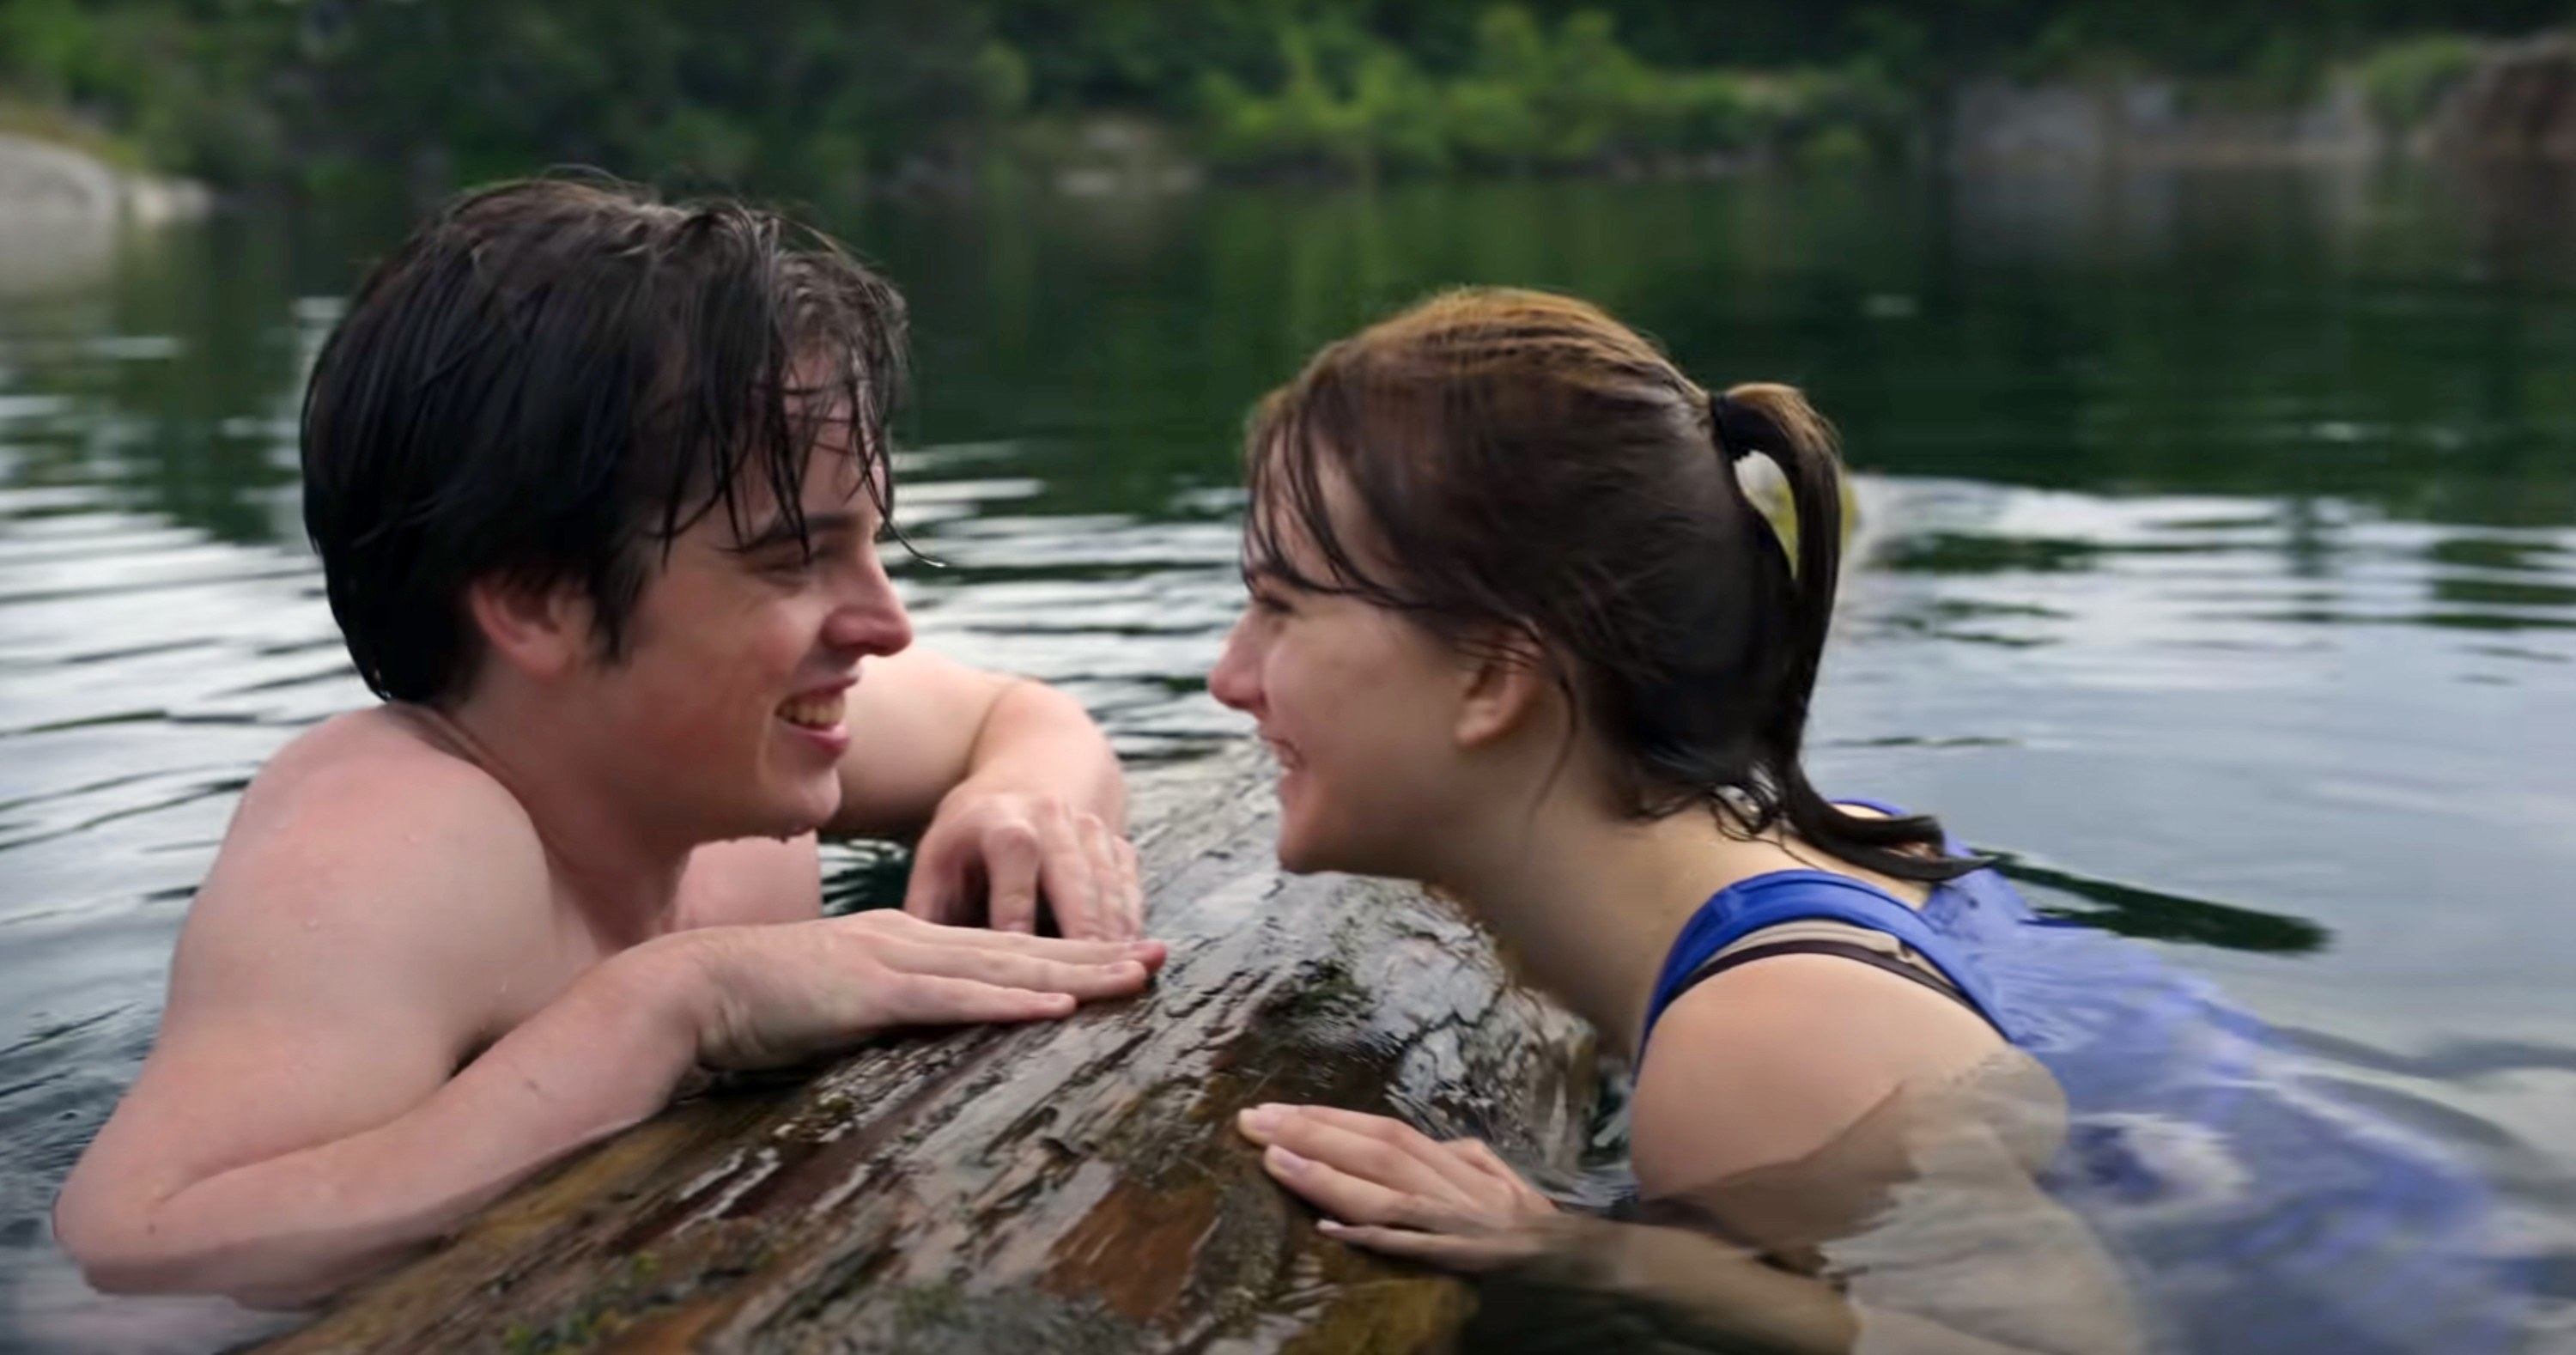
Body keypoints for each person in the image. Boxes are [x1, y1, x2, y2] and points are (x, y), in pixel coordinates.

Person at [1213, 289, 2520, 1353]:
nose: (1229, 673)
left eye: (1283, 607)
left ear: (1495, 676)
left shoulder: (1754, 1042)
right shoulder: (1835, 838)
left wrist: (1585, 1248)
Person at [51, 179, 1166, 1309]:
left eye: (874, 543)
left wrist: (1013, 801)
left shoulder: (733, 751)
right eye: (793, 558)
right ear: (541, 601)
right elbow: (138, 1245)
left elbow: (1018, 713)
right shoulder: (395, 840)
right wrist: (678, 1001)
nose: (887, 623)